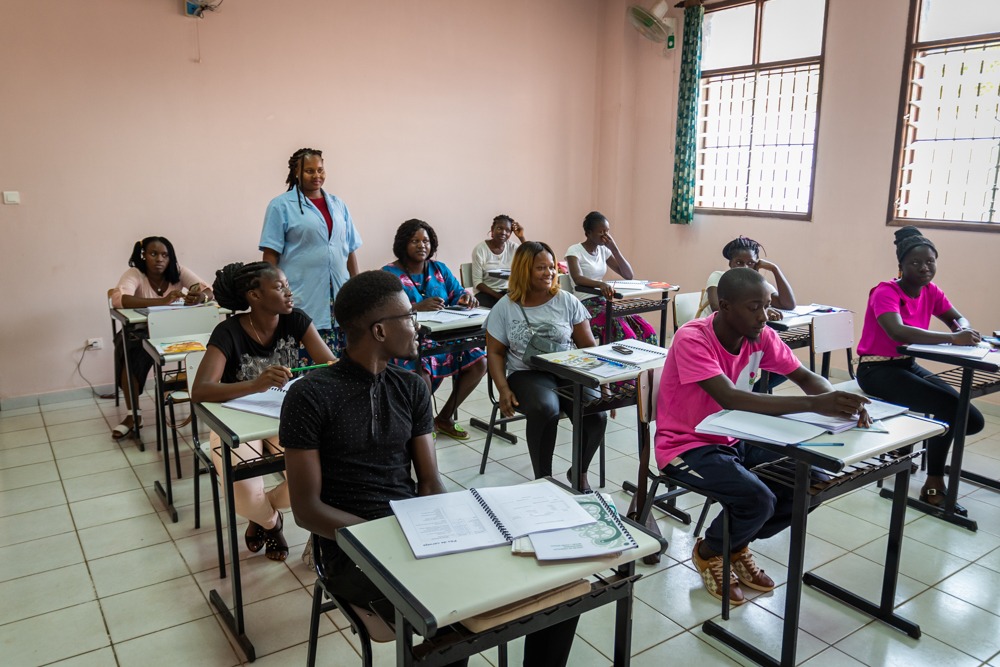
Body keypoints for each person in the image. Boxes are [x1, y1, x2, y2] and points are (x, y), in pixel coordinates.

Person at [282, 271, 579, 667]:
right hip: (349, 549)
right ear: (380, 331)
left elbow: (430, 482)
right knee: (450, 619)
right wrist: (386, 540)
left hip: (413, 530)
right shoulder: (311, 395)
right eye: (408, 316)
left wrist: (449, 532)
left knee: (560, 587)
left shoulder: (410, 386)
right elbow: (306, 511)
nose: (417, 325)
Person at [655, 268, 869, 605]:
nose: (763, 315)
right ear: (724, 307)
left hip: (736, 438)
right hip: (686, 445)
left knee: (813, 479)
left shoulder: (762, 336)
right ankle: (710, 550)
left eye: (766, 305)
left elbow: (806, 377)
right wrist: (816, 403)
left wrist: (837, 403)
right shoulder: (692, 337)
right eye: (754, 307)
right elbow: (732, 398)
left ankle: (736, 544)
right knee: (758, 499)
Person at [191, 261, 336, 562]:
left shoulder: (296, 320)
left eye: (287, 285)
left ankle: (263, 515)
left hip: (285, 414)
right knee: (244, 497)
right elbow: (201, 390)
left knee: (313, 480)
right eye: (280, 287)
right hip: (236, 420)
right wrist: (255, 384)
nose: (289, 292)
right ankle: (271, 522)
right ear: (254, 296)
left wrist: (329, 370)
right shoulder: (228, 331)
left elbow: (329, 365)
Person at [856, 226, 985, 515]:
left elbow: (956, 317)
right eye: (915, 263)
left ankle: (908, 444)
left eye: (930, 261)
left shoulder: (931, 291)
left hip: (907, 365)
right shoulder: (885, 291)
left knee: (970, 418)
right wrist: (953, 338)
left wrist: (962, 327)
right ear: (900, 266)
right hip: (876, 371)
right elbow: (897, 331)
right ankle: (934, 484)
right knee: (950, 410)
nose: (924, 268)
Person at [486, 241, 607, 490]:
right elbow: (495, 353)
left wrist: (601, 382)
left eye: (552, 267)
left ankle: (579, 472)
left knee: (597, 412)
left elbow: (588, 347)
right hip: (526, 373)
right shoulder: (505, 307)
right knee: (545, 409)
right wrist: (503, 388)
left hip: (568, 368)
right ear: (524, 270)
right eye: (541, 268)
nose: (549, 273)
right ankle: (544, 480)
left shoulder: (567, 301)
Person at [381, 219, 487, 440]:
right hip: (409, 341)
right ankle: (422, 425)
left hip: (444, 338)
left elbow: (457, 293)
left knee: (480, 362)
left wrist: (466, 298)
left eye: (426, 241)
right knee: (423, 373)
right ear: (403, 244)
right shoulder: (390, 274)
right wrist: (415, 307)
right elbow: (385, 310)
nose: (422, 245)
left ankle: (445, 417)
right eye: (415, 241)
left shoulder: (439, 269)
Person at [259, 147, 362, 360]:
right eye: (309, 171)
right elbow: (270, 256)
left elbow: (350, 249)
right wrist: (273, 294)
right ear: (296, 173)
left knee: (342, 367)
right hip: (302, 296)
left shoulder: (338, 204)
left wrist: (359, 287)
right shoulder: (281, 206)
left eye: (321, 170)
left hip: (339, 299)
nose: (317, 176)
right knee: (307, 367)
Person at [109, 236, 213, 439]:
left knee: (212, 344)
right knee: (129, 352)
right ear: (143, 256)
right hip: (142, 330)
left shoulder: (178, 270)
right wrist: (164, 301)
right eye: (153, 254)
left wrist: (201, 297)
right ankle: (133, 415)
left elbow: (208, 290)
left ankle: (208, 399)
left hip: (176, 330)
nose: (159, 259)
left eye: (165, 255)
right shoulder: (135, 273)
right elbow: (119, 299)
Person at [565, 211, 657, 345]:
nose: (605, 236)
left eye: (607, 231)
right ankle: (624, 363)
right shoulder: (574, 251)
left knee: (644, 328)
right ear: (588, 233)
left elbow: (628, 275)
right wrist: (600, 284)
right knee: (625, 333)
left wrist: (615, 249)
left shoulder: (604, 250)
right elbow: (577, 278)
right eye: (601, 232)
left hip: (604, 302)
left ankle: (647, 364)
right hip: (585, 306)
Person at [698, 235, 795, 319]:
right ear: (730, 263)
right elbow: (717, 308)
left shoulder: (759, 285)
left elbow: (788, 304)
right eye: (739, 262)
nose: (745, 267)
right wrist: (762, 311)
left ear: (756, 264)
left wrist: (774, 269)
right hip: (708, 331)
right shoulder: (718, 277)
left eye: (750, 263)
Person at [471, 214, 526, 307]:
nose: (503, 232)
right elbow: (478, 283)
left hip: (508, 292)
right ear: (492, 229)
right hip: (486, 294)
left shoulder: (513, 247)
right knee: (506, 307)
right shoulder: (480, 249)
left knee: (528, 302)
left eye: (508, 230)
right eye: (500, 228)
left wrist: (521, 237)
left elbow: (532, 257)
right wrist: (500, 297)